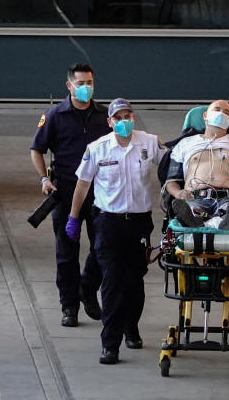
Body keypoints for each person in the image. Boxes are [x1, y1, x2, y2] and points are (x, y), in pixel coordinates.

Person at [66, 98, 164, 364]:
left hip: (139, 222)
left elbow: (171, 164)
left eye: (127, 116)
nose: (124, 121)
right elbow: (82, 185)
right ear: (110, 122)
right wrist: (73, 217)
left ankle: (131, 328)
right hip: (109, 222)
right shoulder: (97, 149)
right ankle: (110, 344)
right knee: (112, 281)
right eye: (118, 118)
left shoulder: (148, 143)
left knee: (135, 280)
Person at [30, 63, 110, 327]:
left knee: (102, 248)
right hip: (65, 192)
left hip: (99, 194)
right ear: (69, 85)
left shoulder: (105, 116)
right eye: (81, 83)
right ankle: (69, 306)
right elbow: (36, 149)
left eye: (90, 83)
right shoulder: (55, 116)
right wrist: (44, 179)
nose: (86, 87)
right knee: (66, 253)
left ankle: (87, 288)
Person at [165, 98, 229, 227]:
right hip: (194, 197)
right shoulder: (185, 144)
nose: (221, 114)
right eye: (217, 109)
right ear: (205, 115)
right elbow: (171, 181)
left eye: (226, 112)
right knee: (191, 210)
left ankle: (223, 221)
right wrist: (178, 193)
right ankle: (202, 220)